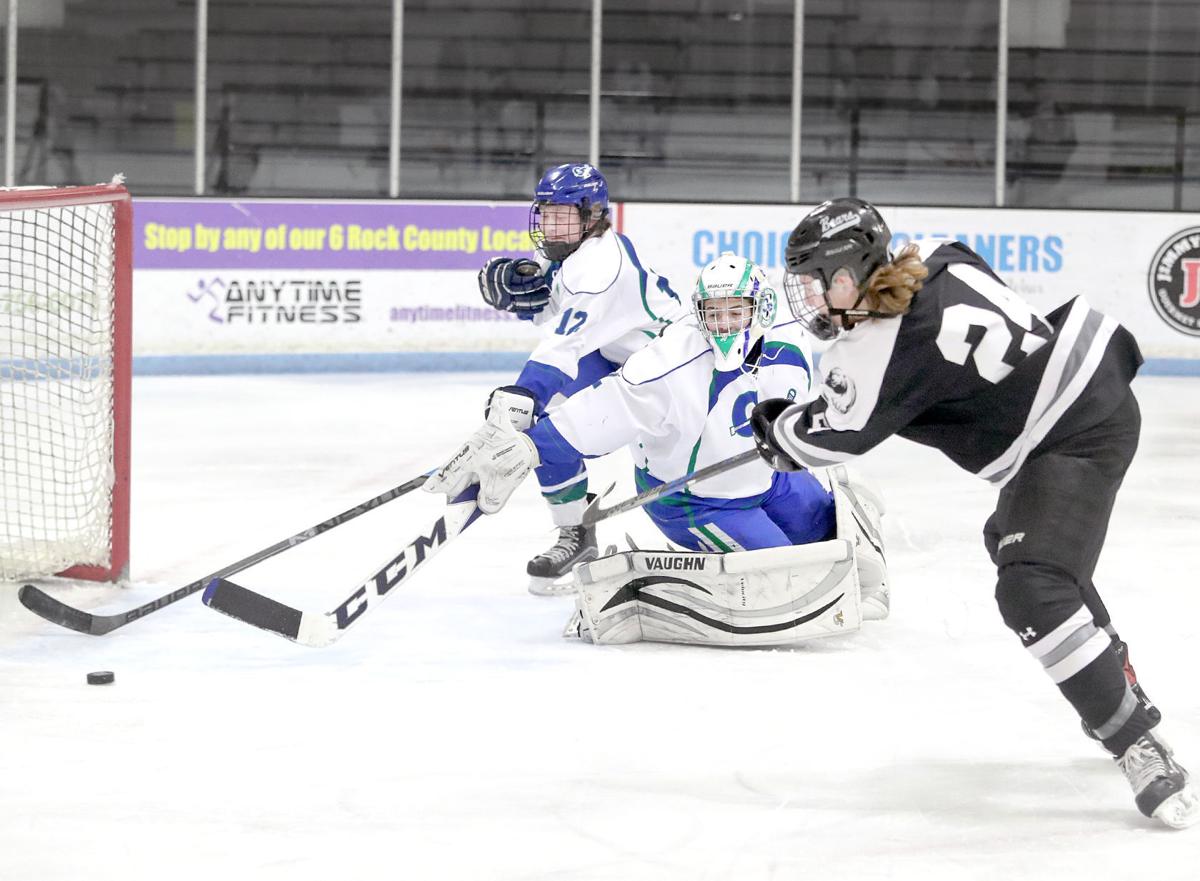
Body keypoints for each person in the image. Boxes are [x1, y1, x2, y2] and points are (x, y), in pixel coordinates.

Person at [746, 197, 1197, 829]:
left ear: (850, 274)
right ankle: (1118, 685)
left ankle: (1134, 741)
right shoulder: (937, 254)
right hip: (1084, 388)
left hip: (1074, 433)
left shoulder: (874, 350)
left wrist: (778, 430)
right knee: (1015, 541)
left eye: (821, 282)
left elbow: (830, 438)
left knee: (1032, 586)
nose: (813, 298)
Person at [424, 253, 890, 638]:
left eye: (736, 311)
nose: (725, 326)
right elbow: (600, 411)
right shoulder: (667, 365)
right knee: (790, 583)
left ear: (762, 309)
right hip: (695, 500)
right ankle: (640, 594)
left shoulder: (790, 334)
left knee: (837, 539)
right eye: (714, 314)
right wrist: (528, 447)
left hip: (771, 481)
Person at [477, 162, 689, 592]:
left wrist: (525, 394)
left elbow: (563, 344)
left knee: (546, 434)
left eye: (561, 215)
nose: (550, 226)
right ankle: (575, 534)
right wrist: (519, 296)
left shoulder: (600, 267)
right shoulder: (568, 250)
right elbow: (557, 314)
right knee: (540, 429)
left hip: (667, 374)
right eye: (545, 214)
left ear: (592, 215)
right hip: (615, 356)